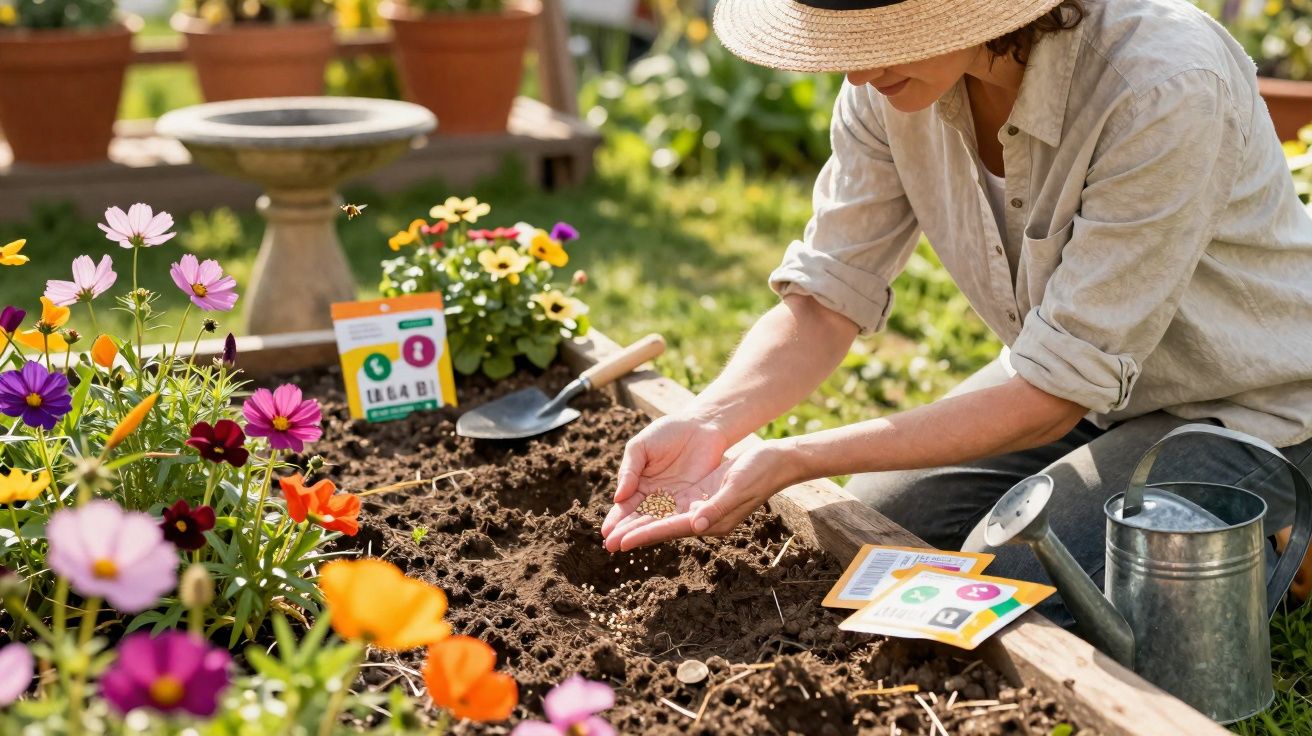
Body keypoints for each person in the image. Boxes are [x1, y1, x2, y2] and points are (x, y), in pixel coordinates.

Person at [599, 0, 1312, 625]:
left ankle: (1282, 531)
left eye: (882, 32)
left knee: (1013, 577)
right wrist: (710, 419)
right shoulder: (889, 87)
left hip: (1255, 411)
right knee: (878, 529)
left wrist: (796, 455)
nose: (853, 72)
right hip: (1091, 395)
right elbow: (824, 301)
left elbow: (1051, 395)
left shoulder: (1161, 82)